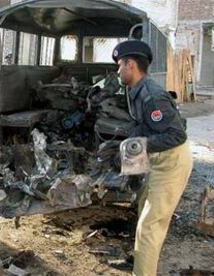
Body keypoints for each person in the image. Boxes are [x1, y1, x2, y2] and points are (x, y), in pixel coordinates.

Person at [112, 40, 193, 276]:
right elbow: (142, 125)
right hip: (158, 158)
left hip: (170, 162)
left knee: (150, 226)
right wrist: (122, 149)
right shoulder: (135, 90)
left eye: (119, 65)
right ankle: (139, 260)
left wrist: (134, 147)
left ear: (131, 65)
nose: (117, 71)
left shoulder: (153, 96)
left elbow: (176, 135)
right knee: (142, 209)